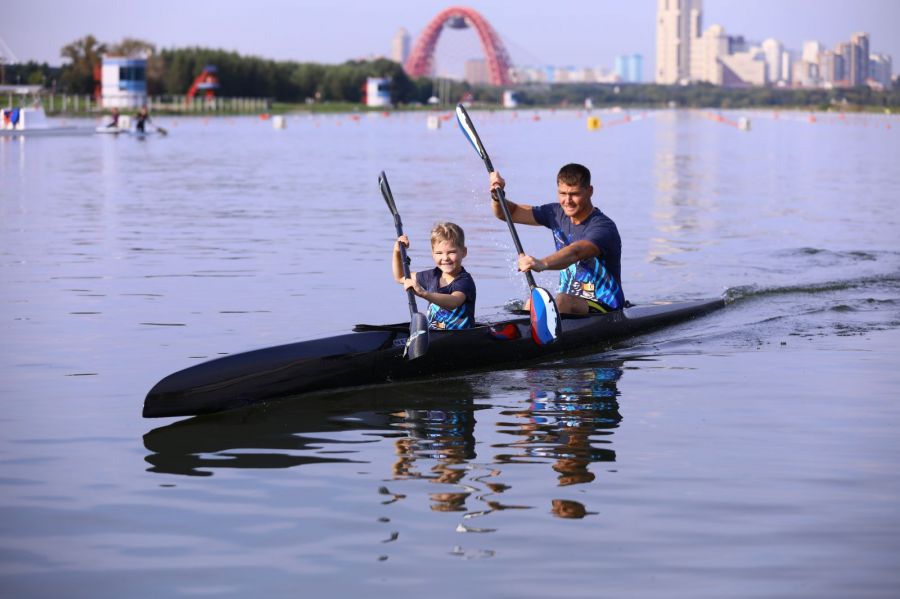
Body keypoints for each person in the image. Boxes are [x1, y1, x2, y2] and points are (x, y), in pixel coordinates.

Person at [489, 163, 624, 314]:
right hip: (570, 303)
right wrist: (497, 195)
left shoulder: (603, 227)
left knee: (562, 300)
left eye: (575, 194)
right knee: (531, 302)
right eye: (563, 193)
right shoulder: (555, 213)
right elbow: (508, 213)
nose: (568, 200)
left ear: (589, 191)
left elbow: (576, 252)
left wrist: (542, 263)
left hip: (605, 305)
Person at [392, 222, 476, 330]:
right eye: (439, 253)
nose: (445, 258)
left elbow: (454, 301)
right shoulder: (431, 276)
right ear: (432, 253)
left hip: (459, 338)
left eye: (451, 252)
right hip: (434, 333)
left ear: (464, 252)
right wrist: (397, 252)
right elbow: (400, 277)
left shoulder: (464, 281)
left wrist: (424, 293)